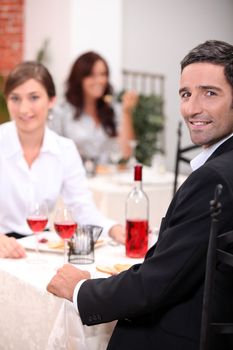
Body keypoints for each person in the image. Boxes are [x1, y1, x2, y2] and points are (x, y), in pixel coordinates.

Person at [47, 40, 233, 350]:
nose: (192, 108)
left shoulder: (214, 178)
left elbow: (154, 286)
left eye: (210, 93)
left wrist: (81, 289)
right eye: (186, 94)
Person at [0, 61, 125, 259]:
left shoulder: (64, 150)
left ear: (51, 101)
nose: (24, 109)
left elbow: (82, 207)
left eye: (34, 97)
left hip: (41, 248)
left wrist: (114, 229)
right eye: (15, 98)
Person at [48, 51, 138, 165]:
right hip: (76, 179)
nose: (100, 80)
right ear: (79, 78)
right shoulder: (61, 112)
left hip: (109, 179)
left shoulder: (113, 110)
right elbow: (53, 155)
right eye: (92, 75)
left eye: (103, 74)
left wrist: (126, 112)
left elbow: (126, 153)